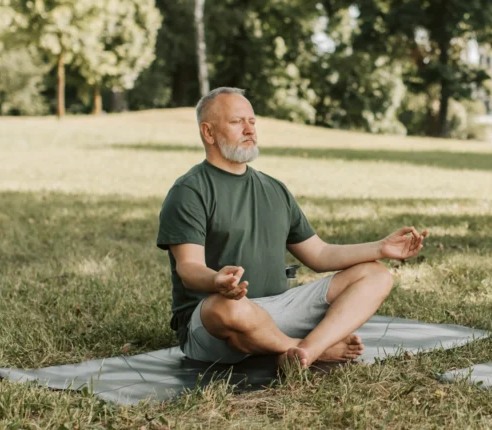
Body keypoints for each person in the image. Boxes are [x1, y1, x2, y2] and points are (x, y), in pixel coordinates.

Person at [157, 87, 428, 369]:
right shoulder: (190, 190)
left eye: (252, 121)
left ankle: (302, 351)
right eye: (237, 122)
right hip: (216, 320)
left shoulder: (274, 189)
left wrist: (380, 248)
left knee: (376, 275)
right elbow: (188, 269)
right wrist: (217, 281)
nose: (249, 129)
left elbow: (319, 255)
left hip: (278, 309)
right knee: (228, 309)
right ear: (208, 133)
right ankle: (314, 349)